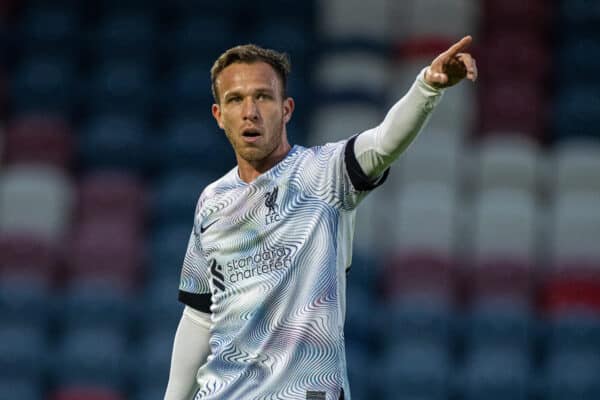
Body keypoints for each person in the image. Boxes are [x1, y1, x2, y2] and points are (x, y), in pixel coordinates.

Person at [165, 37, 477, 400]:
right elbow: (201, 315)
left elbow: (383, 143)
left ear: (287, 109)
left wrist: (427, 86)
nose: (250, 110)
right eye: (236, 99)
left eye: (263, 97)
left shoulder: (324, 174)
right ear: (219, 116)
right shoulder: (211, 202)